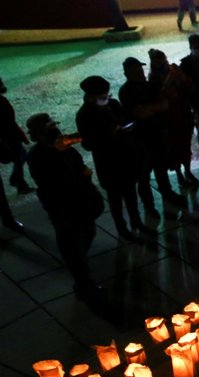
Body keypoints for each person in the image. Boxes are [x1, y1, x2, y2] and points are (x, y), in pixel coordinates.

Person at [26, 113, 104, 297]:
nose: (55, 130)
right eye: (49, 127)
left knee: (88, 233)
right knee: (72, 244)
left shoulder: (65, 148)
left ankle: (82, 268)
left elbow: (79, 166)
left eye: (54, 125)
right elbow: (54, 183)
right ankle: (83, 283)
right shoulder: (38, 156)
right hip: (64, 207)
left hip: (82, 201)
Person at [75, 75, 149, 241]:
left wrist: (128, 128)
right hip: (108, 163)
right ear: (90, 96)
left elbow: (129, 120)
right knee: (115, 200)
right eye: (102, 96)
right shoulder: (84, 115)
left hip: (127, 158)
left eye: (106, 95)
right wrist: (110, 135)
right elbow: (88, 144)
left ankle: (136, 222)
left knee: (131, 195)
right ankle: (122, 229)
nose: (105, 99)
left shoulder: (113, 105)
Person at [119, 56, 183, 215]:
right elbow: (139, 113)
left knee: (161, 168)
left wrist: (149, 109)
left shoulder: (150, 86)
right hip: (140, 138)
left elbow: (164, 105)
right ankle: (149, 206)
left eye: (140, 69)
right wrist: (154, 108)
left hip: (157, 133)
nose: (140, 72)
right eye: (135, 70)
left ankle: (167, 194)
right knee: (144, 175)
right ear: (127, 73)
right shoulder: (126, 91)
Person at [149, 49, 198, 189]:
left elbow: (190, 87)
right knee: (174, 149)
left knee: (186, 146)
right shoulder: (153, 78)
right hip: (168, 119)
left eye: (163, 59)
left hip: (183, 114)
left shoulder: (174, 69)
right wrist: (170, 79)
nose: (163, 63)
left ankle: (188, 171)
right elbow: (159, 95)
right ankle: (179, 174)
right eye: (159, 61)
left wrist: (182, 77)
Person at [0, 77, 33, 196]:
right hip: (8, 137)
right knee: (20, 157)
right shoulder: (1, 101)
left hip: (9, 135)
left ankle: (17, 181)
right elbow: (9, 121)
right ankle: (19, 184)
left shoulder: (2, 100)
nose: (3, 84)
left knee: (22, 155)